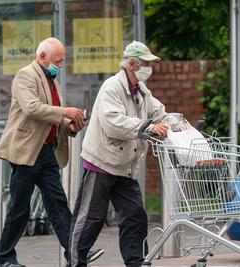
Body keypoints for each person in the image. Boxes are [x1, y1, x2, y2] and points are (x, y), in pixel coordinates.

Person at [68, 40, 187, 267]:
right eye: (145, 63)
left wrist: (182, 125)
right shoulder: (112, 87)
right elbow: (114, 123)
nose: (149, 68)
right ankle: (75, 262)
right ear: (132, 64)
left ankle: (136, 262)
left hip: (125, 166)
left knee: (135, 216)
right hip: (102, 162)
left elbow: (159, 114)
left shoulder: (142, 91)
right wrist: (149, 127)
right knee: (91, 218)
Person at [0, 37, 103, 267]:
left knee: (58, 204)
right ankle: (4, 258)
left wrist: (70, 124)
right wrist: (66, 111)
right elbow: (32, 108)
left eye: (62, 62)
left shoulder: (50, 80)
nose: (60, 66)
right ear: (42, 56)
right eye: (57, 61)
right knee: (20, 208)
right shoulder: (26, 75)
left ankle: (76, 254)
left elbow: (51, 118)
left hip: (47, 153)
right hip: (27, 152)